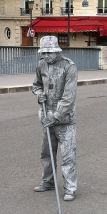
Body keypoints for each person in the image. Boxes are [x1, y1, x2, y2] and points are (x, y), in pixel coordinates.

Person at [32, 36, 77, 201]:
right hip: (46, 116)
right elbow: (36, 85)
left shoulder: (69, 67)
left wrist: (56, 116)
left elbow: (68, 97)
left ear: (57, 51)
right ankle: (48, 181)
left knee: (68, 155)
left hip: (64, 119)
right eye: (43, 52)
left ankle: (70, 188)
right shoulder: (41, 64)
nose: (46, 55)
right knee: (47, 152)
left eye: (49, 52)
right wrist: (39, 95)